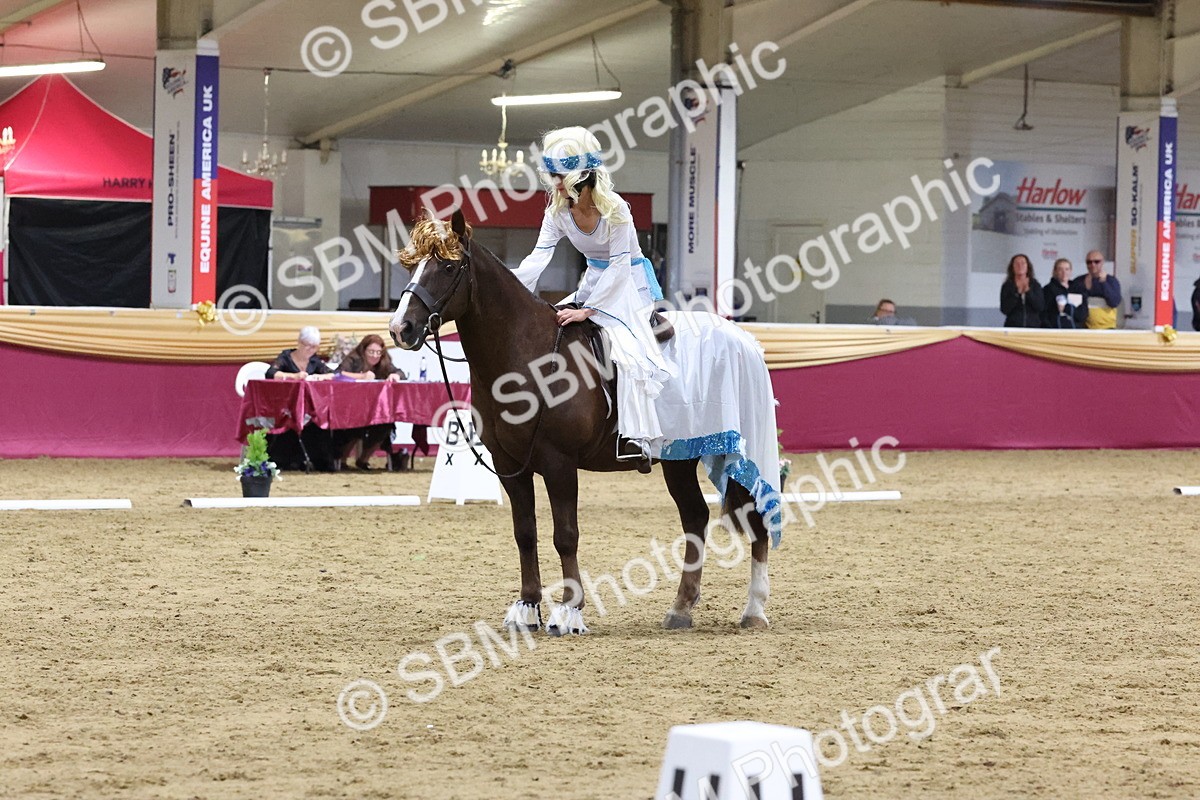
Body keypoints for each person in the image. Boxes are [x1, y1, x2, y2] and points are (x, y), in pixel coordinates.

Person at [511, 127, 673, 472]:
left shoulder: (617, 210)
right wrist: (511, 288)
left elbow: (619, 266)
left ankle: (638, 437)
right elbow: (538, 258)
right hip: (594, 281)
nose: (554, 183)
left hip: (629, 285)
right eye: (552, 175)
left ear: (580, 177)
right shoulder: (557, 212)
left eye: (559, 176)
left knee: (627, 352)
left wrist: (589, 310)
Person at [334, 335, 406, 470]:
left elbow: (400, 372)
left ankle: (363, 459)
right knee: (355, 426)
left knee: (385, 424)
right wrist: (362, 376)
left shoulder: (384, 362)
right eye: (371, 352)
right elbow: (338, 374)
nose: (375, 356)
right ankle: (342, 460)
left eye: (378, 352)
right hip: (352, 407)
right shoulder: (354, 359)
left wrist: (396, 375)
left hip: (375, 408)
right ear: (364, 350)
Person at [1070, 251, 1121, 329]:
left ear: (1102, 262)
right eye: (1089, 262)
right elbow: (1072, 306)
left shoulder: (1111, 281)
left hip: (1107, 328)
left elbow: (1114, 302)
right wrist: (1085, 289)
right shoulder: (1078, 281)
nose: (1092, 265)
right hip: (1085, 328)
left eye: (1096, 262)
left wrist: (1104, 283)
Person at [266, 326, 334, 380]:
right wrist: (293, 376)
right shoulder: (286, 357)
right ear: (300, 342)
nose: (311, 350)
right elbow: (270, 374)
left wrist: (322, 377)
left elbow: (334, 373)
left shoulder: (313, 360)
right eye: (308, 345)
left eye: (314, 347)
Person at [1000, 253, 1045, 328]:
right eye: (1017, 264)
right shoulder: (1007, 285)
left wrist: (1029, 292)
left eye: (1023, 263)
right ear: (1012, 267)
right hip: (1013, 327)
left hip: (1033, 327)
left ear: (1028, 266)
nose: (1020, 266)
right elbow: (1004, 309)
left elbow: (1040, 307)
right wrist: (1016, 294)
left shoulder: (1035, 285)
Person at [1042, 258, 1088, 328]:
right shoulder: (1048, 289)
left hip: (1076, 331)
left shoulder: (1078, 289)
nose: (1064, 272)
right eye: (1060, 269)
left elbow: (1083, 314)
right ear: (1055, 271)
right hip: (1057, 331)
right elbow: (1044, 315)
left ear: (1071, 271)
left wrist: (1066, 308)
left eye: (1067, 269)